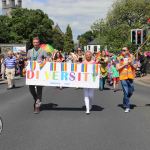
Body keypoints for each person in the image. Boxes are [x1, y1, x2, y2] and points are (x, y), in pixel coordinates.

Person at [27, 37, 47, 114]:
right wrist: (26, 62)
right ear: (33, 43)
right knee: (31, 88)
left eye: (37, 42)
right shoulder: (29, 51)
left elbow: (47, 60)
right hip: (32, 73)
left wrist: (43, 61)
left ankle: (37, 106)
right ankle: (36, 99)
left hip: (40, 73)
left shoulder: (43, 51)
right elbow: (28, 60)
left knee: (39, 89)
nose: (35, 44)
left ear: (39, 43)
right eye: (34, 42)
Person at [116, 47, 137, 113]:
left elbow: (135, 67)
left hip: (130, 76)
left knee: (130, 91)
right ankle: (127, 107)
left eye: (124, 50)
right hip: (123, 77)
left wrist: (131, 64)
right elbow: (117, 68)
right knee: (126, 92)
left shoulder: (132, 57)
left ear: (128, 51)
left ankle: (125, 101)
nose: (123, 51)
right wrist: (124, 64)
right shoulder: (118, 58)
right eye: (122, 50)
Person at [83, 51, 95, 115]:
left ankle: (91, 103)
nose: (88, 56)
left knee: (91, 95)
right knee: (86, 95)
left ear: (91, 55)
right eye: (86, 55)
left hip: (92, 81)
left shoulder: (93, 62)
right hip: (85, 81)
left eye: (89, 55)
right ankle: (87, 109)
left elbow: (96, 70)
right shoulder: (83, 62)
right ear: (85, 55)